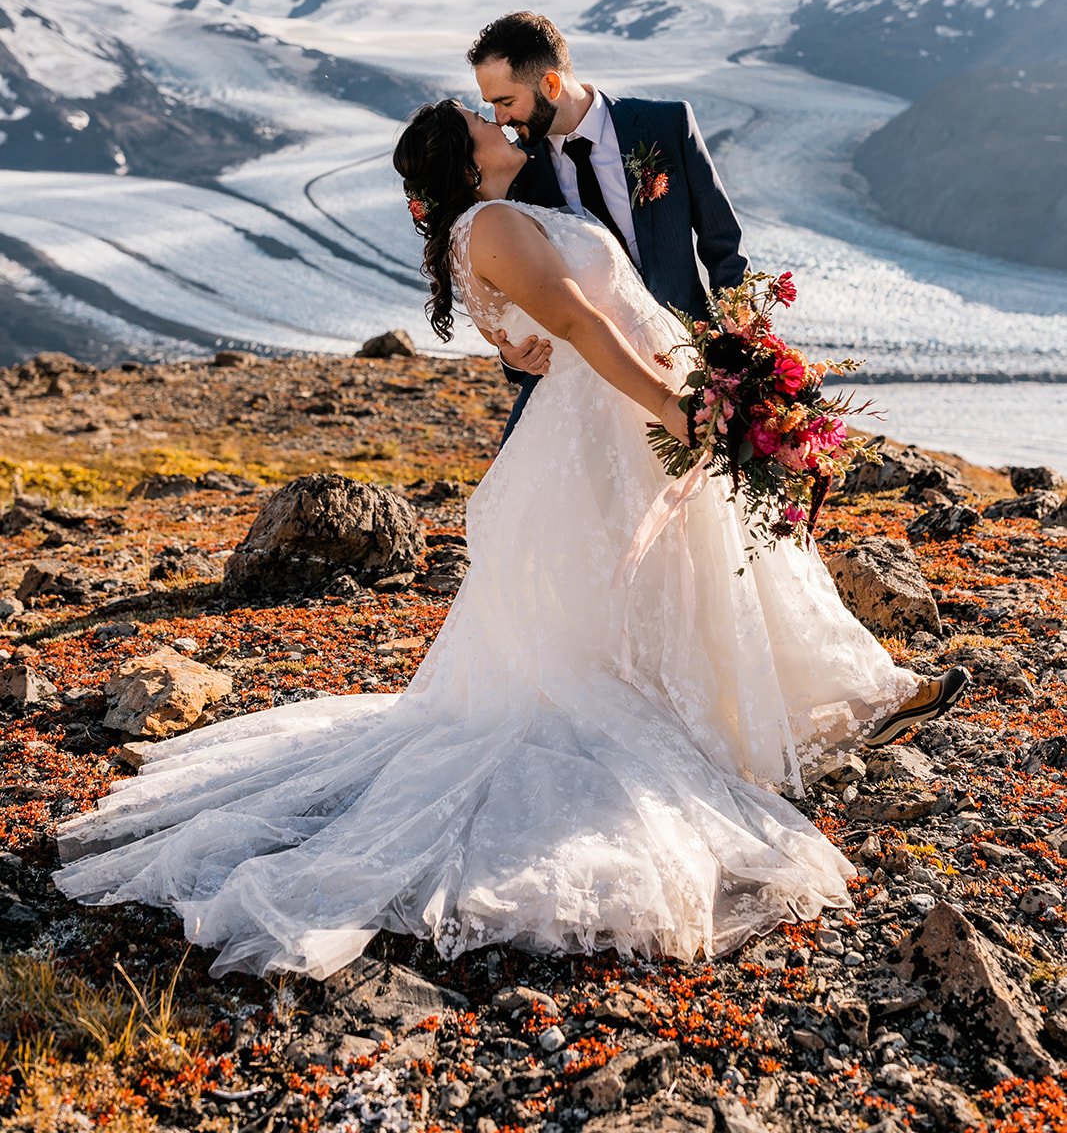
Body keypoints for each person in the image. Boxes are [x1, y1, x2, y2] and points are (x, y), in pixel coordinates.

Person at [51, 100, 968, 981]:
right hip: (609, 425)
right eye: (482, 122)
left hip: (619, 410)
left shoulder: (503, 217)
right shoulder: (489, 225)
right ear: (464, 158)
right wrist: (674, 407)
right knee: (626, 601)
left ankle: (838, 695)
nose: (503, 125)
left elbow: (528, 331)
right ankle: (729, 718)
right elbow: (573, 323)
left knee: (714, 564)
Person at [468, 11, 746, 439]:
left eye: (505, 101)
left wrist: (739, 344)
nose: (499, 119)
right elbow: (512, 291)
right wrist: (512, 356)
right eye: (491, 106)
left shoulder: (666, 125)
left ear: (551, 85)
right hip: (588, 380)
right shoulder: (517, 175)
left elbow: (723, 244)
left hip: (692, 366)